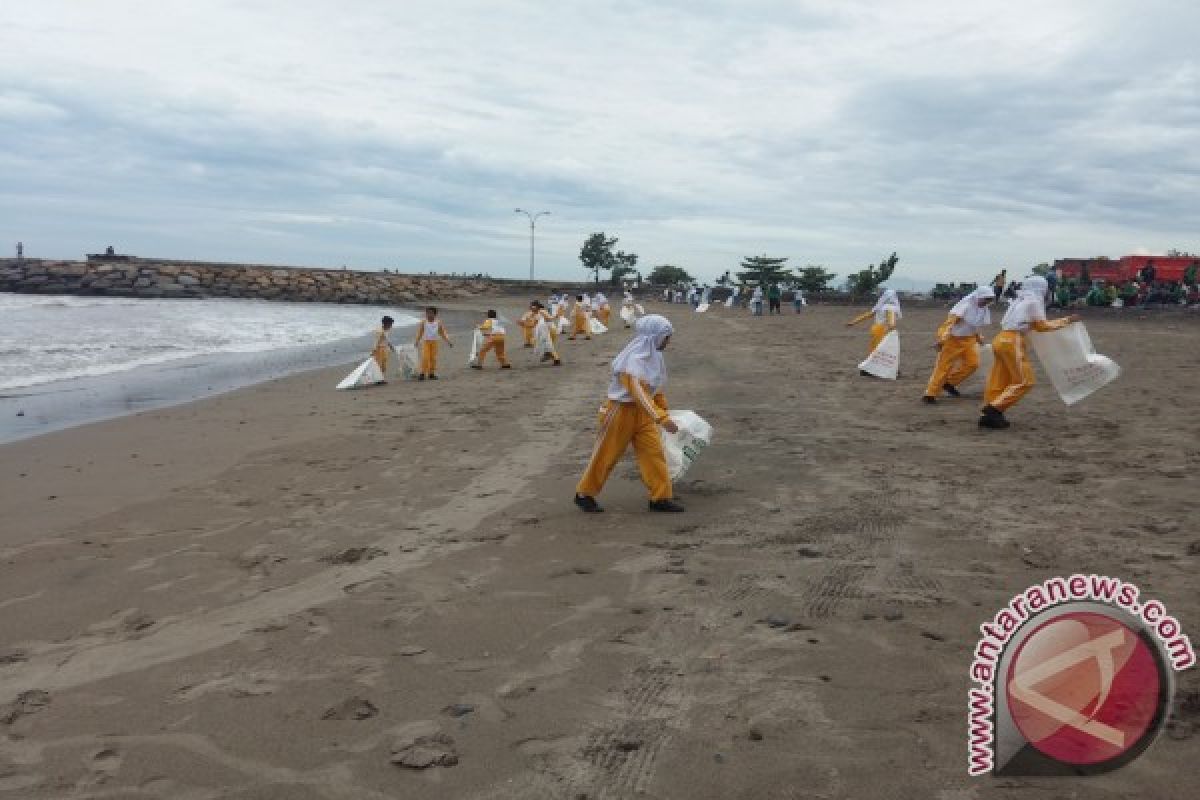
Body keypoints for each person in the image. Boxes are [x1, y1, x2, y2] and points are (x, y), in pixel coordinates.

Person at [574, 315, 684, 513]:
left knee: (654, 454)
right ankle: (584, 493)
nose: (668, 341)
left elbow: (654, 387)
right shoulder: (632, 360)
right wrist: (662, 417)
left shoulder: (655, 357)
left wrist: (663, 408)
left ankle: (660, 497)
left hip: (644, 415)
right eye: (666, 337)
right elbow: (638, 392)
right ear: (654, 337)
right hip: (619, 411)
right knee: (606, 455)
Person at [979, 276, 1080, 429]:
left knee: (999, 380)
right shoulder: (1034, 302)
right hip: (1013, 342)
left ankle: (989, 415)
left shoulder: (1020, 300)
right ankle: (994, 409)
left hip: (1000, 339)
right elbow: (1042, 326)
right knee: (1025, 381)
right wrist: (1067, 321)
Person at [921, 286, 995, 403]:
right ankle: (930, 394)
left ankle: (949, 383)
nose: (987, 302)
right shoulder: (964, 306)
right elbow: (949, 324)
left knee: (973, 364)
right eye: (985, 299)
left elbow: (974, 325)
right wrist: (942, 339)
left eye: (989, 300)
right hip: (953, 340)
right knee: (943, 367)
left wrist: (978, 338)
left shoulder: (983, 309)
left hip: (969, 340)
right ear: (978, 297)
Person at [847, 288, 901, 360]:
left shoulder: (879, 307)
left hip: (875, 329)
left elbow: (867, 315)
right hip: (883, 330)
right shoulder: (891, 308)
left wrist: (853, 322)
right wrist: (892, 327)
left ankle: (869, 366)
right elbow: (891, 321)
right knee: (883, 351)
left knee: (873, 349)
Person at [414, 306, 453, 380]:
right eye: (427, 313)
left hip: (434, 342)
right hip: (426, 342)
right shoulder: (424, 322)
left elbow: (442, 333)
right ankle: (422, 373)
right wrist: (416, 341)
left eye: (431, 313)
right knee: (425, 357)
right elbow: (420, 333)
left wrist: (448, 341)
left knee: (433, 358)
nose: (429, 314)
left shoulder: (438, 322)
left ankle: (431, 373)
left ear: (435, 314)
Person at [532, 301, 563, 366]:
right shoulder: (537, 313)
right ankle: (552, 357)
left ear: (537, 306)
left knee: (548, 345)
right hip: (548, 330)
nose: (532, 308)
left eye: (533, 306)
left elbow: (549, 318)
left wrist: (555, 316)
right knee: (548, 345)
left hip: (550, 330)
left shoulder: (541, 311)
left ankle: (555, 359)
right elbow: (534, 324)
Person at [372, 316, 397, 383]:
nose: (391, 326)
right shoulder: (380, 331)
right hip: (379, 350)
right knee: (379, 365)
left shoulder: (386, 331)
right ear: (386, 324)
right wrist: (374, 351)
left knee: (384, 365)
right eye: (390, 324)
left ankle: (381, 378)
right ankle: (378, 379)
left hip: (384, 349)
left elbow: (386, 340)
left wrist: (390, 346)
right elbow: (376, 341)